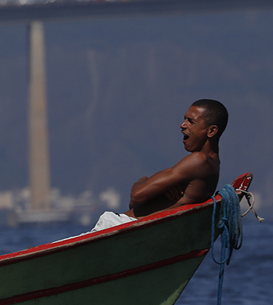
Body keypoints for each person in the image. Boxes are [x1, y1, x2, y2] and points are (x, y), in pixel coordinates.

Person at [92, 99, 226, 231]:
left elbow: (137, 195)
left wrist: (144, 180)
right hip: (134, 227)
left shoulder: (199, 160)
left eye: (191, 121)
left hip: (121, 226)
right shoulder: (213, 165)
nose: (182, 125)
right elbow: (134, 203)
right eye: (184, 119)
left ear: (211, 131)